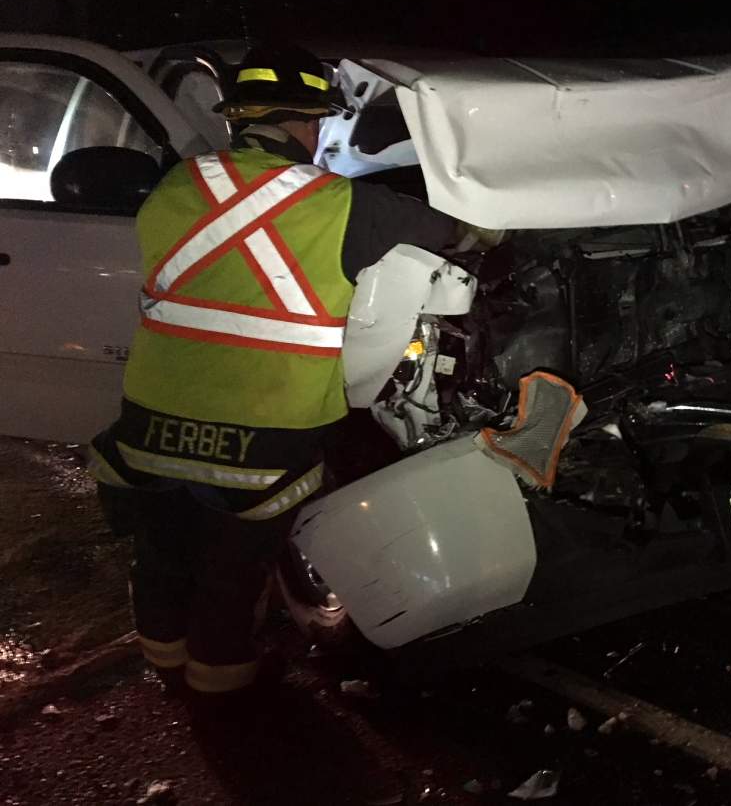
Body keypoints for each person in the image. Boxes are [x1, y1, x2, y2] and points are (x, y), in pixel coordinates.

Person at [86, 43, 456, 696]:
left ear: (239, 118)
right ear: (307, 123)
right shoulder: (345, 204)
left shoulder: (176, 186)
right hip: (260, 439)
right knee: (235, 572)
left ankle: (165, 661)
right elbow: (454, 232)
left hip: (153, 422)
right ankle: (223, 687)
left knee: (164, 553)